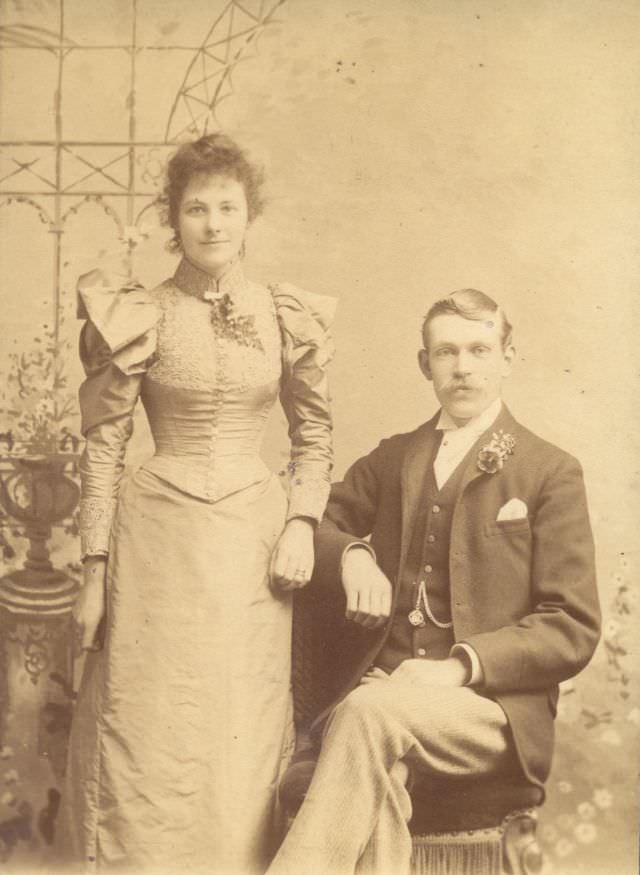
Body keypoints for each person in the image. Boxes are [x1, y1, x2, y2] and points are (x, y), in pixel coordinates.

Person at [56, 133, 335, 873]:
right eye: (196, 209)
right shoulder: (139, 312)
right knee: (148, 727)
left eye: (228, 208)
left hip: (253, 543)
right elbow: (107, 448)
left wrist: (302, 521)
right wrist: (92, 571)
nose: (213, 224)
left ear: (250, 216)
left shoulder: (285, 313)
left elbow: (314, 433)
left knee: (238, 725)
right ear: (172, 219)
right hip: (155, 545)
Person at [268, 288, 600, 875]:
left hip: (490, 711)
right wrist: (352, 558)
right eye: (446, 352)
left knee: (368, 715)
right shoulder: (396, 458)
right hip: (390, 700)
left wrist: (455, 668)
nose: (463, 367)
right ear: (426, 365)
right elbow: (316, 521)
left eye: (479, 349)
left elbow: (571, 625)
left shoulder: (549, 471)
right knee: (381, 772)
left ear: (508, 355)